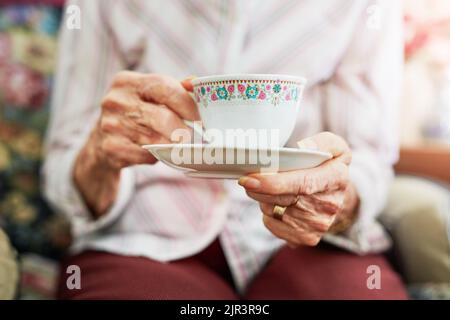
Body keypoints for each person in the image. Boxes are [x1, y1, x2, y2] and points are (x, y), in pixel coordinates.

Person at [43, 0, 407, 299]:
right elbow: (62, 165)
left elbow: (368, 158)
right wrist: (100, 156)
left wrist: (334, 198)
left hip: (308, 243)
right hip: (146, 238)